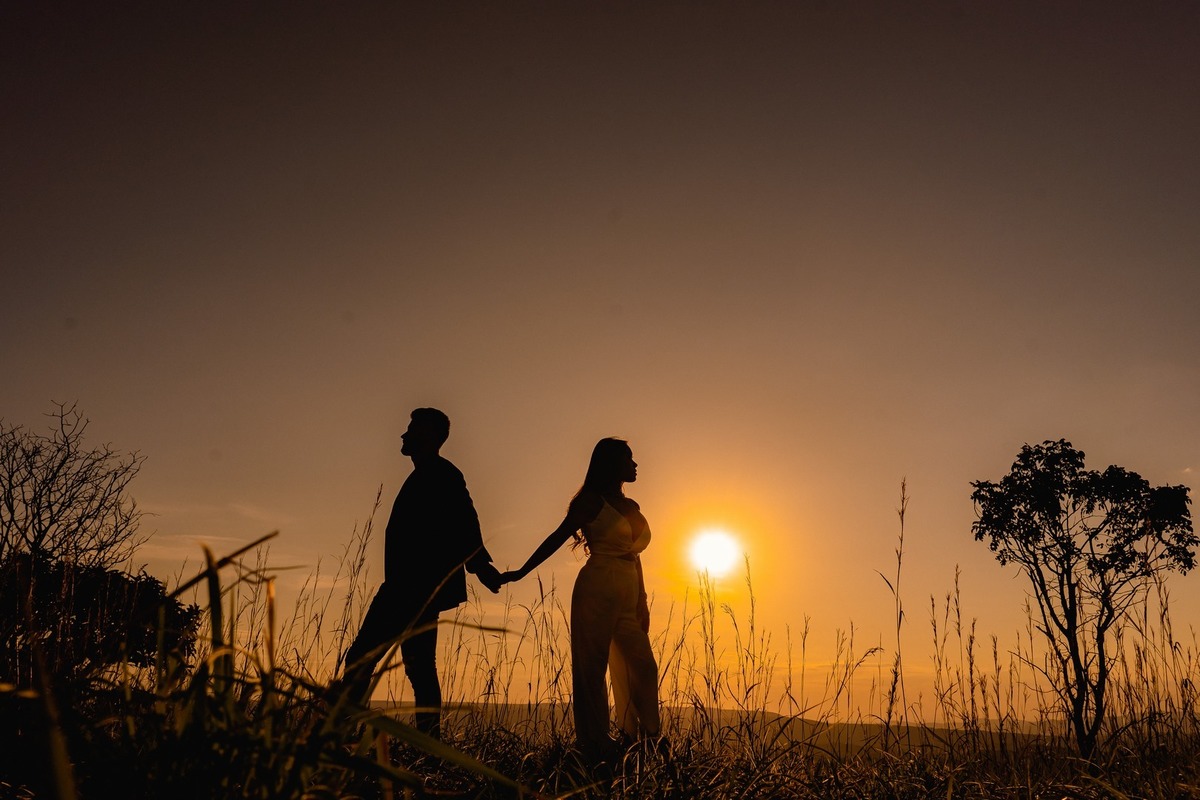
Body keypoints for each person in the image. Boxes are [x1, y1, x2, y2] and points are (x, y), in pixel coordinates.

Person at [342, 407, 502, 738]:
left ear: (429, 435)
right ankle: (429, 745)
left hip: (410, 588)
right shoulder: (427, 474)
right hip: (414, 587)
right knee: (418, 669)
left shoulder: (443, 474)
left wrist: (479, 565)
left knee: (362, 659)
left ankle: (341, 736)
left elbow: (464, 522)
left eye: (412, 429)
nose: (404, 434)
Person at [501, 438, 661, 764]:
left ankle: (644, 740)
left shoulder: (632, 507)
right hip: (596, 587)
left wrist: (642, 599)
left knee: (643, 665)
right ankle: (597, 746)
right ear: (612, 464)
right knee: (591, 668)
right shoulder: (590, 501)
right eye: (629, 459)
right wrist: (520, 572)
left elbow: (635, 555)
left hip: (628, 591)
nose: (635, 465)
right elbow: (557, 537)